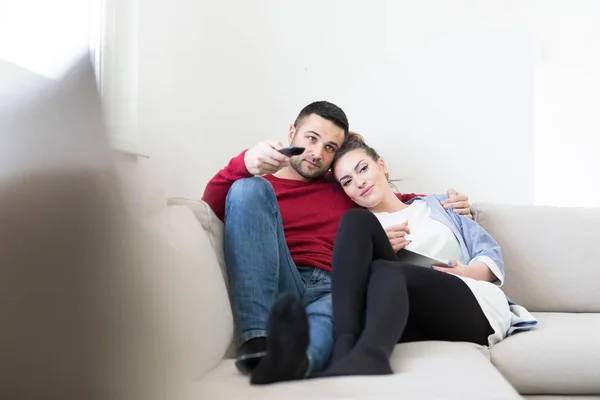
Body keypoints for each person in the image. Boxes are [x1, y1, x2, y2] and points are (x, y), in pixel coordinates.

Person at [201, 101, 474, 384]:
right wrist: (244, 164)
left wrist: (447, 204)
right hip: (282, 276)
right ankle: (257, 342)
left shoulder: (344, 185)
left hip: (336, 284)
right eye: (311, 139)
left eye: (330, 147)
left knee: (331, 316)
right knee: (247, 186)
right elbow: (209, 209)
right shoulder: (265, 188)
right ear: (292, 131)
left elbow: (392, 199)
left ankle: (296, 362)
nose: (317, 154)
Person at [308, 133, 538, 377]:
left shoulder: (440, 205)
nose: (359, 182)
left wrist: (466, 271)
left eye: (363, 169)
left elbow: (488, 252)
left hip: (468, 301)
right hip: (406, 311)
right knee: (360, 230)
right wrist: (378, 250)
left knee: (385, 269)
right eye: (347, 182)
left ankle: (368, 356)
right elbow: (354, 287)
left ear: (382, 166)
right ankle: (345, 349)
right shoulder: (362, 230)